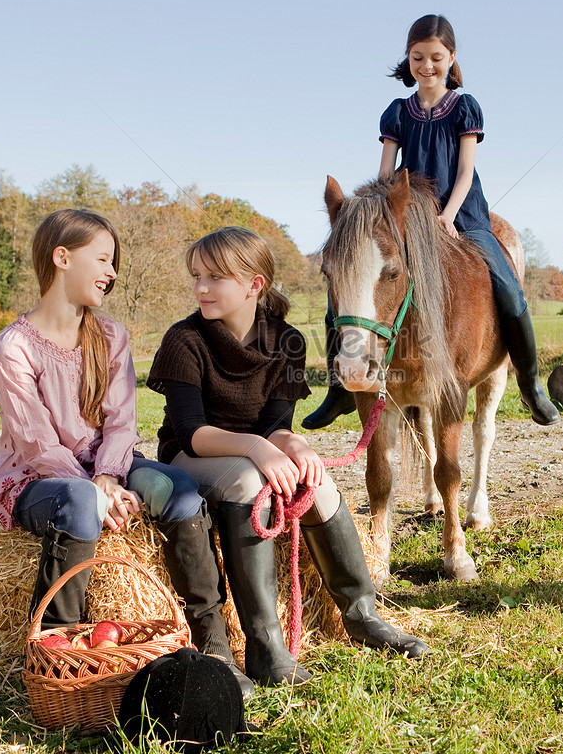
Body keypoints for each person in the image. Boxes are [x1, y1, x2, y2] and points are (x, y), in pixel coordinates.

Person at [147, 226, 427, 688]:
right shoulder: (185, 340)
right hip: (191, 455)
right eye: (197, 275)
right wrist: (258, 447)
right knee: (247, 481)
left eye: (215, 277)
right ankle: (265, 647)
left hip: (253, 452)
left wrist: (293, 444)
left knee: (316, 484)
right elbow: (193, 433)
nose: (200, 287)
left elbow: (276, 423)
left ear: (254, 285)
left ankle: (361, 613)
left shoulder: (286, 341)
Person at [0, 208, 251, 695]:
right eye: (103, 259)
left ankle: (212, 642)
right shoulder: (15, 348)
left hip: (108, 468)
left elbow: (121, 422)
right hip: (38, 480)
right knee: (80, 502)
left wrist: (109, 477)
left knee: (181, 491)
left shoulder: (111, 336)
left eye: (114, 262)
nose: (112, 272)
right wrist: (95, 490)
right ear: (62, 258)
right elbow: (37, 444)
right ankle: (56, 659)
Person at [302, 13, 561, 429]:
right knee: (348, 293)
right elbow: (386, 176)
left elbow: (464, 172)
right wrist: (375, 218)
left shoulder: (464, 107)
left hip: (463, 214)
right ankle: (340, 390)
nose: (426, 66)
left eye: (436, 57)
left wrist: (448, 216)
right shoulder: (396, 112)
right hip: (406, 216)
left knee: (509, 290)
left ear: (451, 58)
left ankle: (531, 385)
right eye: (418, 56)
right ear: (407, 59)